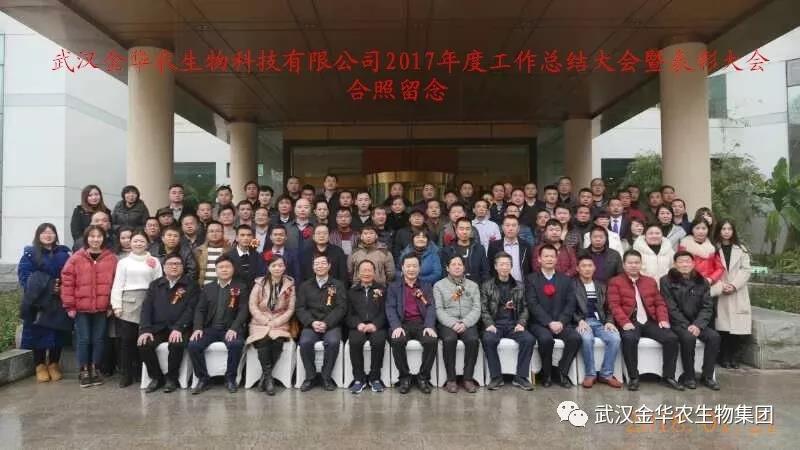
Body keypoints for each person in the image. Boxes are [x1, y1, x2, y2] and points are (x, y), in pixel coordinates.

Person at [607, 250, 682, 392]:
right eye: (630, 263)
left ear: (641, 264)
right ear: (624, 264)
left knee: (671, 338)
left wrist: (663, 319)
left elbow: (659, 303)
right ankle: (633, 377)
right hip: (630, 320)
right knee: (629, 339)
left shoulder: (649, 281)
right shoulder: (615, 281)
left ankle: (669, 376)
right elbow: (614, 305)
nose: (633, 265)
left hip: (649, 320)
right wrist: (624, 322)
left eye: (637, 262)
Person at [60, 225, 118, 387]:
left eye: (99, 236)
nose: (95, 239)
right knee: (83, 339)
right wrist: (69, 306)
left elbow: (116, 283)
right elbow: (67, 283)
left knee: (99, 339)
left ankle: (95, 368)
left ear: (104, 238)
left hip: (102, 307)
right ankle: (84, 370)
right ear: (86, 238)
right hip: (80, 308)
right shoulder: (76, 258)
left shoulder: (111, 258)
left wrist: (111, 305)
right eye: (92, 236)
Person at [17, 223, 72, 383]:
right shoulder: (30, 254)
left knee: (57, 333)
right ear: (38, 235)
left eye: (51, 232)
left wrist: (62, 287)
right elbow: (25, 277)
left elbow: (71, 274)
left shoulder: (64, 254)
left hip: (59, 300)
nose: (48, 235)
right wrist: (49, 286)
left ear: (55, 235)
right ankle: (40, 365)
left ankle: (54, 364)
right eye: (44, 233)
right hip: (38, 301)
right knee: (38, 333)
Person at [188, 255, 249, 394]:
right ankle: (203, 379)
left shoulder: (241, 287)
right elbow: (200, 310)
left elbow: (243, 310)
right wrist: (197, 328)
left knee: (236, 344)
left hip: (230, 328)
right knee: (193, 345)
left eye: (227, 267)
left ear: (233, 269)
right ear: (216, 270)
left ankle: (230, 378)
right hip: (210, 329)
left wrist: (234, 328)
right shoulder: (208, 288)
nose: (224, 270)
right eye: (221, 267)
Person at [137, 253, 198, 393]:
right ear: (164, 267)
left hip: (180, 328)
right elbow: (146, 308)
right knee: (144, 343)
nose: (174, 267)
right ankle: (156, 377)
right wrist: (145, 329)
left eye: (177, 264)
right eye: (170, 264)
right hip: (158, 327)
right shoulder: (155, 285)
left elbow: (191, 310)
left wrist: (179, 328)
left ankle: (172, 378)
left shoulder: (191, 285)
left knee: (176, 343)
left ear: (183, 267)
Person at [660, 251, 721, 390]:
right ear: (675, 264)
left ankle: (707, 376)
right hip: (678, 323)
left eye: (687, 261)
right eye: (681, 262)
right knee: (688, 338)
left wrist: (698, 325)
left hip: (698, 322)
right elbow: (671, 307)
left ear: (693, 263)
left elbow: (707, 307)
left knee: (714, 337)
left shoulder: (702, 281)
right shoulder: (666, 281)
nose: (684, 264)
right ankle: (689, 376)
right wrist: (687, 325)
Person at [110, 230, 163, 388]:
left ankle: (142, 373)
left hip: (149, 301)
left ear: (147, 243)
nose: (138, 244)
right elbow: (117, 284)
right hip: (128, 303)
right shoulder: (123, 262)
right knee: (127, 340)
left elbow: (159, 283)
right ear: (130, 243)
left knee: (144, 340)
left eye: (141, 241)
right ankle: (126, 374)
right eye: (135, 241)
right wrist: (116, 305)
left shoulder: (154, 261)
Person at [526, 244, 580, 388]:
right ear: (539, 259)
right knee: (545, 339)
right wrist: (549, 322)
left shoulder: (566, 280)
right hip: (540, 324)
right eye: (546, 256)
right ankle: (547, 374)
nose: (549, 259)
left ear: (557, 259)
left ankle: (562, 371)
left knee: (575, 338)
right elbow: (532, 304)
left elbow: (570, 303)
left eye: (552, 256)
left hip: (561, 323)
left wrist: (561, 321)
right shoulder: (531, 279)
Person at [480, 252, 535, 391]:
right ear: (495, 266)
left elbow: (526, 307)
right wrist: (489, 324)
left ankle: (521, 377)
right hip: (495, 324)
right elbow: (483, 308)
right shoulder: (487, 286)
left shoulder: (520, 286)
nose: (504, 267)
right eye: (501, 264)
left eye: (507, 264)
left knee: (528, 339)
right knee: (488, 339)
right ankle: (496, 377)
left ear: (511, 266)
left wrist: (521, 323)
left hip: (513, 324)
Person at [386, 254, 438, 394]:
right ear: (402, 268)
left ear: (419, 268)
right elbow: (390, 308)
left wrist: (429, 325)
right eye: (408, 266)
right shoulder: (394, 287)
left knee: (431, 340)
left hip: (421, 323)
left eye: (414, 266)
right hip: (402, 323)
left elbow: (431, 307)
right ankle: (404, 377)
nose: (411, 269)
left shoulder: (426, 286)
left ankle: (423, 377)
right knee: (397, 340)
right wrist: (396, 326)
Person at [296, 254, 348, 391]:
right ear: (313, 267)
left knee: (333, 342)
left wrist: (327, 323)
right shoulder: (305, 286)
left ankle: (326, 377)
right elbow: (300, 308)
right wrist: (312, 322)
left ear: (329, 266)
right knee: (305, 342)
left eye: (323, 263)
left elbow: (341, 307)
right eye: (316, 264)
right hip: (311, 325)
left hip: (331, 325)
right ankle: (310, 377)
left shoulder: (338, 285)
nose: (320, 266)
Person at [246, 255, 295, 395]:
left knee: (277, 341)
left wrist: (276, 322)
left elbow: (290, 309)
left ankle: (265, 377)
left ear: (284, 267)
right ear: (268, 267)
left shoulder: (290, 285)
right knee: (263, 340)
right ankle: (268, 378)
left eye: (280, 265)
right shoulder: (259, 283)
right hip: (260, 322)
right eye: (274, 265)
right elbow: (252, 305)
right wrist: (265, 321)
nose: (277, 268)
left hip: (280, 322)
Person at [434, 255, 482, 393]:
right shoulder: (439, 286)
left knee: (473, 340)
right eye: (453, 264)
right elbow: (438, 309)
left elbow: (477, 308)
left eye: (460, 264)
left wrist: (465, 323)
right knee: (449, 339)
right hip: (448, 323)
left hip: (468, 322)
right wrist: (453, 323)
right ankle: (451, 379)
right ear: (447, 268)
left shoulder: (473, 285)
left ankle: (468, 379)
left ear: (464, 267)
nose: (457, 267)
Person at [573, 255, 623, 389]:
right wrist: (579, 320)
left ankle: (606, 374)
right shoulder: (572, 285)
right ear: (578, 268)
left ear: (594, 268)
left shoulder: (601, 286)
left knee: (615, 338)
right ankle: (590, 374)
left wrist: (610, 321)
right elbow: (568, 307)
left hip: (601, 322)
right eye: (584, 266)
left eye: (590, 266)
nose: (587, 269)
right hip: (583, 322)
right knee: (587, 339)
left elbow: (609, 306)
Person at [346, 260, 388, 394]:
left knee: (379, 341)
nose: (366, 273)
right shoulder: (352, 292)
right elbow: (348, 314)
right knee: (355, 341)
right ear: (358, 273)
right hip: (358, 326)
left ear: (374, 273)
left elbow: (385, 312)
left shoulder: (382, 290)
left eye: (369, 270)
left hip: (376, 326)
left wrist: (375, 325)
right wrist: (357, 324)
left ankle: (375, 378)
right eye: (363, 270)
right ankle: (359, 379)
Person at [715, 220, 752, 369]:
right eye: (723, 228)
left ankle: (733, 358)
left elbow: (746, 269)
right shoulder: (714, 248)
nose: (726, 231)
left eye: (729, 229)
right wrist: (722, 285)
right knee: (723, 327)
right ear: (719, 230)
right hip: (720, 290)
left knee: (737, 327)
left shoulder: (741, 249)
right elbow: (711, 269)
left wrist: (734, 285)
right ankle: (724, 357)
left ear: (733, 231)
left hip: (737, 290)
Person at [679, 218, 725, 296]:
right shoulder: (684, 245)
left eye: (704, 228)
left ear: (708, 230)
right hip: (688, 287)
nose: (701, 231)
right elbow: (679, 265)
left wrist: (710, 279)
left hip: (708, 287)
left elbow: (720, 268)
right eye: (697, 228)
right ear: (692, 229)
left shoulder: (712, 246)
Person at [439, 218, 489, 284]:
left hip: (475, 286)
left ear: (471, 230)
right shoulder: (447, 250)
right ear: (456, 230)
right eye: (461, 229)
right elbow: (444, 273)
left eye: (467, 229)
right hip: (453, 286)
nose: (464, 232)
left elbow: (485, 272)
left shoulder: (479, 249)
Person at [487, 215, 532, 281]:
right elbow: (490, 267)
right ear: (502, 227)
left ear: (518, 228)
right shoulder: (494, 246)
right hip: (500, 284)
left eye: (514, 225)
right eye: (507, 225)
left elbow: (530, 267)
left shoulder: (526, 245)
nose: (510, 228)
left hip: (522, 284)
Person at [194, 221, 230, 286]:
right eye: (211, 231)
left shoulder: (230, 251)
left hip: (224, 288)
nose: (214, 234)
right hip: (203, 288)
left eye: (218, 231)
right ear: (207, 234)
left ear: (223, 233)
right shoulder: (198, 251)